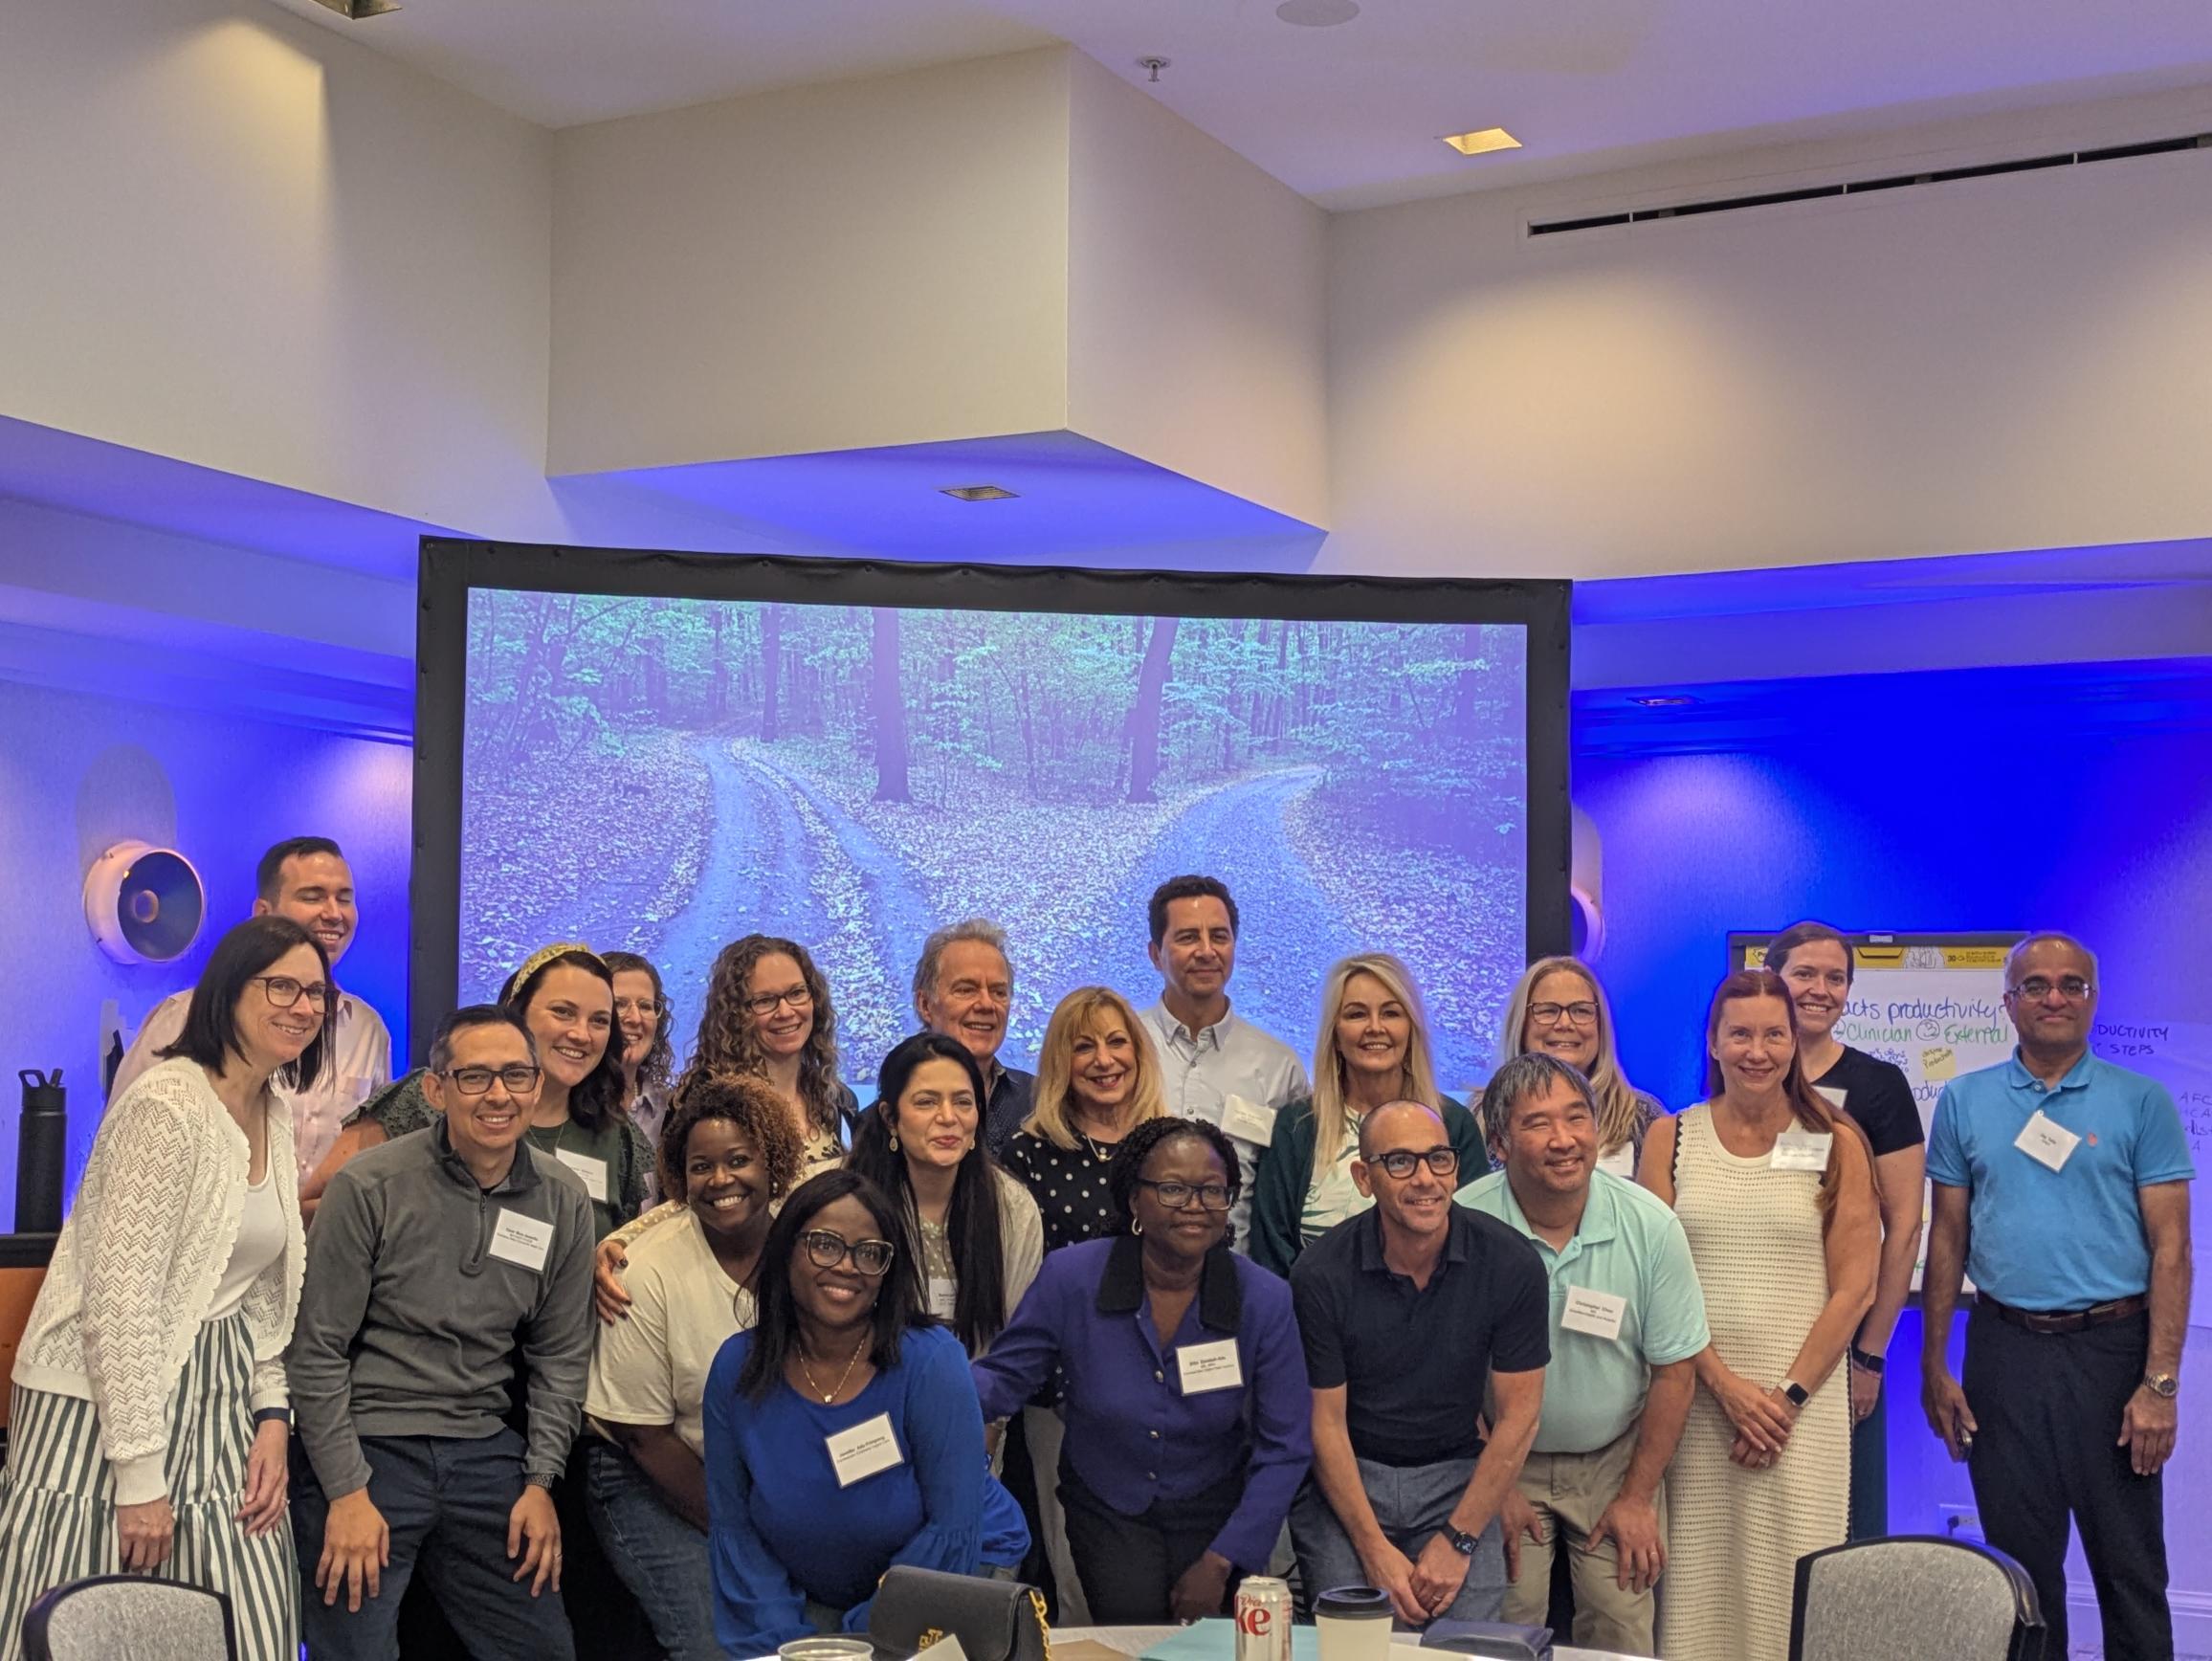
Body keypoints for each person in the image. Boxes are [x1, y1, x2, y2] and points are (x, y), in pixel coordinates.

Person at [0, 917, 327, 1661]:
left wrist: (273, 1416)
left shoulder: (273, 1110)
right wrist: (140, 1477)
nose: (303, 1006)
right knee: (87, 1621)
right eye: (281, 986)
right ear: (227, 992)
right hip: (101, 1405)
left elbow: (260, 1297)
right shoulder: (167, 1105)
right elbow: (120, 1305)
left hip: (219, 1392)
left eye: (316, 993)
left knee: (249, 1609)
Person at [285, 1004, 595, 1661]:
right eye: (475, 1076)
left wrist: (541, 1483)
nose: (498, 1095)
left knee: (546, 1650)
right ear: (435, 1089)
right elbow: (316, 1352)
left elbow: (563, 1355)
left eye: (515, 1075)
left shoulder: (563, 1198)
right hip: (369, 1449)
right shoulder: (369, 1186)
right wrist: (345, 1490)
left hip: (485, 1453)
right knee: (353, 1650)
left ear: (537, 1085)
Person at [1921, 933, 2194, 1661]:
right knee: (2021, 1575)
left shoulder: (2141, 1102)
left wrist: (2160, 1385)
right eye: (2036, 985)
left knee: (2130, 1569)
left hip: (2114, 1355)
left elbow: (2172, 1249)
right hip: (2004, 1354)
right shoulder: (1965, 1100)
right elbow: (1946, 1238)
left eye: (2072, 985)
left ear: (2093, 1000)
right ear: (2009, 1002)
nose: (2055, 997)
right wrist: (1934, 1366)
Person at [973, 1118, 1313, 1623]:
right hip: (1108, 1504)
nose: (1195, 1205)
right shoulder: (1073, 1278)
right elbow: (1002, 1379)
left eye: (1212, 1191)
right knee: (1133, 1628)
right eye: (1173, 1189)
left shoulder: (1263, 1299)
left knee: (1209, 1645)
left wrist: (1223, 1561)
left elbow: (1287, 1444)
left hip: (1219, 1510)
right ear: (1134, 1199)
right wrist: (918, 1396)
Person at [1637, 969, 1879, 1661]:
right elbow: (1656, 1285)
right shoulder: (1669, 1139)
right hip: (1693, 1404)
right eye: (1739, 1034)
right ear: (1713, 1043)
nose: (1757, 1051)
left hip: (1799, 1414)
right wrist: (1725, 1387)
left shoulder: (1837, 1140)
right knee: (1695, 1600)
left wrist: (1784, 1400)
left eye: (1775, 1034)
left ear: (1795, 1042)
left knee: (1789, 1594)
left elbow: (1854, 1290)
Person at [1458, 1055, 1708, 1656]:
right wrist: (1491, 1484)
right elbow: (1446, 1371)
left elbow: (1675, 1374)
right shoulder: (1463, 1224)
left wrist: (1637, 1497)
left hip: (1613, 1460)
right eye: (1538, 1123)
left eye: (1577, 1118)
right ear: (1499, 1143)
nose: (1564, 1139)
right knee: (1502, 1626)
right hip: (1501, 1456)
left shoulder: (1650, 1225)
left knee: (1620, 1627)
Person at [703, 1171, 998, 1654]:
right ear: (785, 1249)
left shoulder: (931, 1362)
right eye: (824, 1245)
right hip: (811, 1594)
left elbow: (952, 1530)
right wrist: (789, 1645)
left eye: (869, 1252)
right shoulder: (737, 1367)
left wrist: (856, 1642)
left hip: (956, 1574)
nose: (846, 1266)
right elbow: (735, 1531)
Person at [1290, 1101, 1549, 1628]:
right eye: (1400, 1162)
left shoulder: (1511, 1262)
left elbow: (1519, 1417)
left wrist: (1459, 1538)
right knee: (1350, 1641)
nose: (1425, 1178)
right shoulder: (1320, 1273)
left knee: (1468, 1645)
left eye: (1438, 1158)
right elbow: (1325, 1424)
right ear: (1364, 1178)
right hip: (1351, 1479)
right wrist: (1372, 1549)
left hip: (1457, 1476)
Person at [585, 1073, 805, 1661]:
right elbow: (642, 1434)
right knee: (721, 1642)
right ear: (681, 1178)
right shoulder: (646, 1271)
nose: (721, 1179)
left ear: (774, 1162)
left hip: (760, 1476)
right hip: (652, 1471)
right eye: (701, 1166)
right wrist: (745, 1533)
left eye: (739, 1160)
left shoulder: (805, 1247)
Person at [595, 935, 860, 1318]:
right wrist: (624, 1238)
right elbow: (681, 1204)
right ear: (736, 1013)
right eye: (765, 1001)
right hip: (733, 1295)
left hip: (820, 1293)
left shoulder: (835, 1099)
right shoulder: (707, 1098)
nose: (786, 1011)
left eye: (796, 993)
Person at [112, 836, 388, 1200]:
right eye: (313, 897)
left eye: (345, 898)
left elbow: (373, 1166)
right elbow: (122, 1152)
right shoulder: (187, 1016)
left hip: (312, 1235)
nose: (334, 913)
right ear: (263, 913)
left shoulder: (367, 1030)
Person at [1764, 919, 1926, 1539]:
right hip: (1756, 1325)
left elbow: (1904, 1227)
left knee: (1841, 1522)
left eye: (1836, 978)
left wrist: (1870, 1353)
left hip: (1843, 1341)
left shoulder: (1878, 1086)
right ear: (1772, 978)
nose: (1820, 989)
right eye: (1804, 973)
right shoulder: (1745, 1072)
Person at [339, 943, 654, 1241]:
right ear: (516, 1011)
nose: (581, 1034)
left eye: (599, 1021)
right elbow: (329, 1203)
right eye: (562, 1012)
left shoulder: (619, 1137)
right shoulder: (435, 1095)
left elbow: (627, 1242)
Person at [1250, 953, 1486, 1276]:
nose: (1375, 1028)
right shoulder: (1297, 1125)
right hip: (1310, 1305)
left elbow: (1475, 1242)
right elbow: (1271, 1250)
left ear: (1411, 1028)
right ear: (1335, 1033)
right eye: (1357, 1014)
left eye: (1391, 1013)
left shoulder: (1454, 1124)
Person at [1138, 875, 1310, 1251]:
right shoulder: (1123, 1050)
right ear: (1155, 955)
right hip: (1130, 1269)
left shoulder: (1279, 1068)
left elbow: (1290, 1198)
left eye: (1219, 936)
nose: (1206, 951)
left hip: (1235, 1275)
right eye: (1187, 937)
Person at [846, 1031, 1045, 1358]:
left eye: (963, 1102)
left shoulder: (1012, 1207)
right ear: (890, 1118)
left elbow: (1013, 1345)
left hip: (980, 1385)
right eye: (927, 1102)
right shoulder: (844, 1202)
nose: (948, 1118)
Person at [1493, 956, 1659, 1179]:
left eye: (1581, 1011)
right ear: (1521, 1024)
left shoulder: (1643, 1116)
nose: (1564, 1024)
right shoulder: (1483, 1117)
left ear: (1600, 1025)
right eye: (1548, 1010)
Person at [913, 919, 1035, 1157]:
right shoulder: (885, 1116)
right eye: (966, 990)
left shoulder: (1039, 1102)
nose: (987, 1004)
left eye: (999, 992)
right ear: (925, 1005)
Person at [605, 949, 678, 1201]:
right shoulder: (564, 1105)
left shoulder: (672, 1110)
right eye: (619, 1004)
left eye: (646, 1006)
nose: (635, 1018)